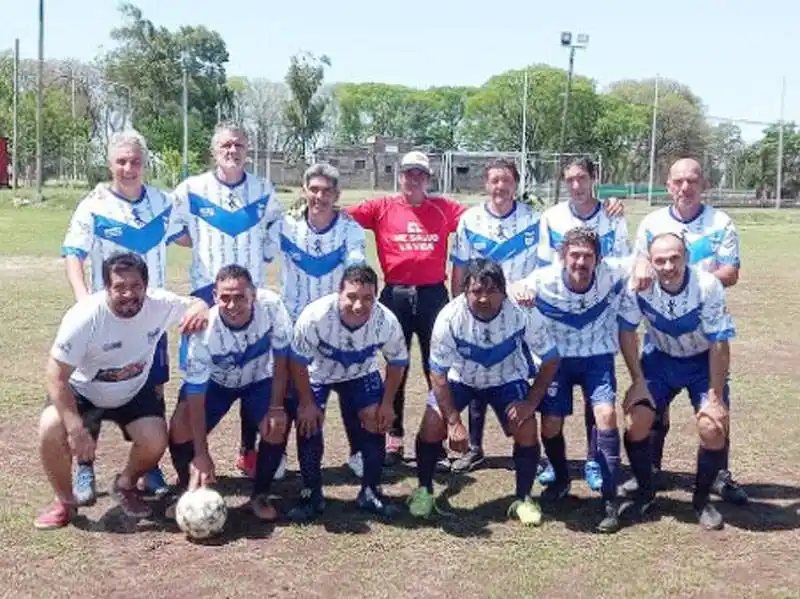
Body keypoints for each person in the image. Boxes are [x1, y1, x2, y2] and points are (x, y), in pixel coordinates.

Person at [451, 157, 625, 477]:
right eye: (495, 180)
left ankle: (579, 457)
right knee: (481, 368)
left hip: (544, 312)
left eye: (507, 180)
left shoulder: (537, 218)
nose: (501, 186)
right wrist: (461, 304)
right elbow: (464, 266)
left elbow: (622, 263)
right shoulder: (542, 218)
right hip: (496, 305)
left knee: (554, 385)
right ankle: (477, 446)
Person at [34, 253, 209, 530]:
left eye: (136, 286)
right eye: (120, 287)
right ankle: (65, 502)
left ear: (146, 286)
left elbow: (196, 304)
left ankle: (125, 484)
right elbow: (56, 377)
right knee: (50, 427)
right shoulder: (84, 316)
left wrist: (201, 307)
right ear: (106, 287)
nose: (129, 294)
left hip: (133, 391)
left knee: (155, 439)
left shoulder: (159, 304)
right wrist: (76, 429)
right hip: (83, 392)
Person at [61, 130, 180, 504]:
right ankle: (85, 467)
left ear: (144, 164)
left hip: (150, 319)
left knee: (153, 388)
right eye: (121, 161)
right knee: (91, 389)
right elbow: (74, 255)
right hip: (107, 318)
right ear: (110, 164)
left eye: (135, 161)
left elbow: (191, 234)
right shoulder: (93, 205)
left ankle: (148, 466)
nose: (129, 168)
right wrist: (84, 304)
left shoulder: (164, 203)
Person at [626, 157, 746, 505]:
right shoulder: (651, 223)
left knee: (714, 414)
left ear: (703, 184)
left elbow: (730, 272)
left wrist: (684, 284)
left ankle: (717, 477)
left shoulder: (721, 223)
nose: (685, 187)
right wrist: (660, 276)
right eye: (678, 181)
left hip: (702, 330)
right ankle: (650, 470)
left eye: (692, 181)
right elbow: (639, 263)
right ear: (668, 186)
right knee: (648, 410)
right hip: (661, 338)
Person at [406, 259, 560, 525]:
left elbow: (551, 359)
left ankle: (523, 498)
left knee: (525, 426)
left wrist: (530, 403)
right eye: (476, 291)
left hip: (506, 379)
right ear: (465, 290)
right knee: (432, 424)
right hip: (461, 379)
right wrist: (453, 421)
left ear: (504, 290)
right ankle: (424, 491)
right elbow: (438, 374)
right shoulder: (449, 316)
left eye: (492, 291)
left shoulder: (522, 312)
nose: (484, 298)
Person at [170, 121, 284, 479]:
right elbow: (177, 232)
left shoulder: (263, 190)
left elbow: (274, 236)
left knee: (254, 366)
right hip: (206, 296)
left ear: (247, 149)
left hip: (249, 298)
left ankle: (249, 450)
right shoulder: (191, 190)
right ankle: (192, 458)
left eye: (238, 145)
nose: (232, 151)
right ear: (213, 150)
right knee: (204, 371)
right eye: (225, 145)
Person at [345, 151, 465, 466]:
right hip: (395, 294)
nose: (414, 179)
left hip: (432, 295)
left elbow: (482, 218)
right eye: (409, 173)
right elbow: (340, 216)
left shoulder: (443, 208)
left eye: (420, 174)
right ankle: (393, 437)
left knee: (435, 367)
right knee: (396, 366)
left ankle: (435, 440)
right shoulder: (381, 207)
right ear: (399, 177)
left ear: (428, 179)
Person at [512, 227, 634, 533]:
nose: (581, 262)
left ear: (598, 259)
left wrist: (644, 264)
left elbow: (640, 261)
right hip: (557, 361)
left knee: (606, 415)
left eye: (587, 256)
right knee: (551, 425)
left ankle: (610, 499)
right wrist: (519, 290)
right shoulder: (544, 279)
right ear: (562, 257)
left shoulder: (610, 273)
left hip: (597, 357)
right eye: (575, 255)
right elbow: (514, 288)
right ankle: (562, 478)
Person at [619, 233, 735, 530]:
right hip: (660, 360)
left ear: (687, 258)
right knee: (636, 421)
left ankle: (701, 501)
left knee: (712, 427)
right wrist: (637, 381)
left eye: (675, 258)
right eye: (660, 260)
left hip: (701, 363)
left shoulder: (707, 285)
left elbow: (719, 342)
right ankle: (645, 491)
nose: (668, 266)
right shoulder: (638, 285)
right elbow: (627, 332)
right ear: (650, 261)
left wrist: (715, 394)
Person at [166, 265, 293, 521]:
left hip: (259, 380)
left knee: (275, 426)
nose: (232, 305)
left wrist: (277, 407)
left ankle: (260, 495)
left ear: (253, 295)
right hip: (216, 385)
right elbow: (196, 393)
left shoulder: (272, 306)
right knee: (180, 426)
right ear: (214, 296)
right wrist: (201, 453)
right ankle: (189, 489)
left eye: (240, 297)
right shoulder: (203, 330)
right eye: (225, 298)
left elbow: (282, 358)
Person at [536, 157, 631, 493]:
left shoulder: (612, 214)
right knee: (552, 412)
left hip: (598, 321)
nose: (576, 185)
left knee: (600, 404)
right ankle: (555, 465)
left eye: (582, 178)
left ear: (594, 178)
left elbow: (626, 261)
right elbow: (544, 267)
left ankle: (594, 460)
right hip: (560, 326)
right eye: (570, 180)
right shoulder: (551, 217)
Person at [286, 265, 409, 521]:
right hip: (317, 374)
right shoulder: (316, 315)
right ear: (339, 293)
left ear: (376, 297)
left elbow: (397, 361)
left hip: (360, 373)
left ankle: (370, 491)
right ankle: (311, 493)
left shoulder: (386, 320)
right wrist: (306, 403)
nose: (358, 305)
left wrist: (387, 404)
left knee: (376, 420)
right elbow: (296, 361)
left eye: (367, 298)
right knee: (309, 424)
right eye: (351, 296)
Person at [276, 163, 368, 479]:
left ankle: (358, 452)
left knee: (350, 388)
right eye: (314, 189)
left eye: (327, 191)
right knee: (290, 392)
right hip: (294, 323)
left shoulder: (350, 229)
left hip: (336, 325)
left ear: (337, 195)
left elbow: (356, 268)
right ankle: (277, 454)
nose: (320, 196)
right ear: (305, 191)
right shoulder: (286, 225)